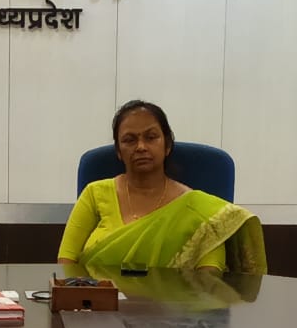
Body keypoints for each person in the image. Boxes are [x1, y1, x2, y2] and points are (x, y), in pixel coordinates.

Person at [56, 100, 266, 274]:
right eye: (129, 140)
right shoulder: (94, 194)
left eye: (151, 137)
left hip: (175, 310)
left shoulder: (199, 210)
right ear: (118, 151)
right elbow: (66, 262)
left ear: (167, 145)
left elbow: (208, 280)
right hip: (97, 307)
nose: (141, 147)